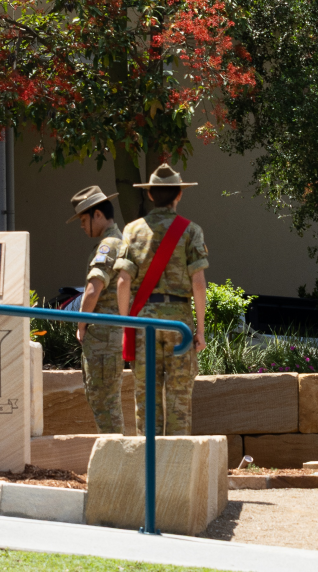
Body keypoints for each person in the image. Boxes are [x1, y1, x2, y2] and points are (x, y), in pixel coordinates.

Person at [114, 164, 209, 437]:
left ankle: (149, 469)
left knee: (147, 399)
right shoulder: (191, 231)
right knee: (179, 400)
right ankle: (177, 469)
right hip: (179, 322)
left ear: (151, 196)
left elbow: (123, 281)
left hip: (144, 324)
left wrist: (125, 327)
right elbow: (198, 283)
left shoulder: (132, 230)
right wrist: (200, 330)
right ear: (179, 194)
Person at [69, 185, 124, 434]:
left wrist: (81, 325)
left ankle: (118, 463)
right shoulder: (116, 242)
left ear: (98, 215)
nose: (82, 226)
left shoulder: (108, 246)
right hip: (108, 336)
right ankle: (117, 460)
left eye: (84, 220)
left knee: (105, 403)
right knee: (104, 400)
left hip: (103, 337)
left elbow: (92, 291)